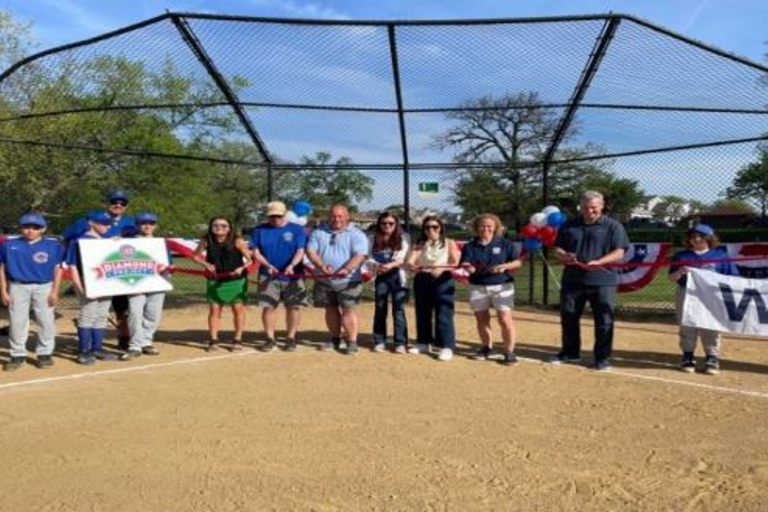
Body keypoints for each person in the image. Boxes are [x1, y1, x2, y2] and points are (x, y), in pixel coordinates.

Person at [551, 190, 629, 371]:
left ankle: (602, 357)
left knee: (604, 320)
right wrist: (565, 256)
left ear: (601, 206)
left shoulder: (613, 226)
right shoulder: (569, 225)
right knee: (568, 316)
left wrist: (600, 262)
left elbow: (620, 252)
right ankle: (571, 352)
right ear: (581, 207)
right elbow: (558, 249)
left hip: (603, 280)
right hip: (572, 279)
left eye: (593, 207)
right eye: (586, 207)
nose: (590, 211)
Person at [62, 190, 136, 350]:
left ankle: (119, 339)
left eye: (122, 203)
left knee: (119, 308)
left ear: (126, 206)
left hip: (117, 272)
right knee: (89, 311)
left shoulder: (131, 222)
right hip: (90, 275)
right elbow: (67, 237)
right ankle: (85, 348)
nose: (118, 205)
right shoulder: (89, 220)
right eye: (114, 202)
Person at [669, 224, 735, 375]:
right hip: (687, 293)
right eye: (692, 236)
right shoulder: (681, 256)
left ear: (709, 238)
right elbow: (672, 277)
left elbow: (731, 278)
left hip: (711, 296)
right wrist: (680, 271)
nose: (696, 239)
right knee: (687, 325)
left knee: (711, 325)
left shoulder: (720, 256)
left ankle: (712, 357)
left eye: (700, 236)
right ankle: (688, 356)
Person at [0, 213, 64, 371]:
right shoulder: (9, 245)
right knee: (17, 321)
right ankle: (17, 354)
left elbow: (58, 268)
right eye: (26, 227)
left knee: (45, 320)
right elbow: (1, 268)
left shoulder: (53, 245)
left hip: (44, 286)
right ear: (21, 228)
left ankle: (44, 353)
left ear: (43, 229)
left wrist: (55, 290)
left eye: (35, 228)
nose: (30, 230)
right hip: (17, 285)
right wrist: (3, 291)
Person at [460, 214, 523, 365]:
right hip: (478, 286)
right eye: (482, 226)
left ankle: (509, 351)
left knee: (504, 319)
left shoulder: (505, 244)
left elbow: (517, 262)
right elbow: (465, 263)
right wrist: (469, 268)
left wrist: (505, 266)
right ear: (477, 227)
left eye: (489, 226)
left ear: (495, 227)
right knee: (482, 319)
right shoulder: (470, 246)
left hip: (502, 286)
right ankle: (486, 347)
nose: (486, 229)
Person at [305, 204, 368, 355]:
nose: (336, 219)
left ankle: (351, 341)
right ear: (329, 217)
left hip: (349, 280)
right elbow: (310, 251)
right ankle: (335, 339)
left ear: (347, 217)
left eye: (340, 216)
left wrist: (347, 269)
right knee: (330, 309)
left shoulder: (356, 234)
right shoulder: (318, 232)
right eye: (333, 216)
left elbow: (360, 255)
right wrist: (321, 265)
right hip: (324, 280)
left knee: (348, 309)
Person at [250, 201, 308, 352]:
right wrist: (268, 265)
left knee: (294, 307)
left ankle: (291, 337)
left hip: (293, 275)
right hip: (268, 275)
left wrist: (292, 265)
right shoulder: (259, 230)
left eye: (278, 216)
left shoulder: (298, 230)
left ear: (285, 214)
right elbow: (256, 252)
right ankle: (270, 339)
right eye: (272, 216)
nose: (275, 219)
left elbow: (300, 250)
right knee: (268, 307)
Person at [66, 211, 122, 365]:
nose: (107, 226)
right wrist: (80, 287)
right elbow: (72, 266)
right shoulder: (79, 241)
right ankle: (83, 350)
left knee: (101, 316)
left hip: (105, 282)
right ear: (91, 223)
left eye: (109, 223)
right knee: (88, 315)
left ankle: (97, 348)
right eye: (103, 223)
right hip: (87, 282)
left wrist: (117, 244)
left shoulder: (106, 241)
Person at [405, 215, 460, 361]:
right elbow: (411, 260)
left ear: (440, 228)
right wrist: (412, 265)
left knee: (444, 313)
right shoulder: (420, 243)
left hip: (442, 279)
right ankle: (424, 342)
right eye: (427, 227)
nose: (431, 230)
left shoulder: (449, 242)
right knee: (422, 311)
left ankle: (446, 346)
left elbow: (455, 262)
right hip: (423, 278)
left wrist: (442, 268)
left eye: (434, 226)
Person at [192, 216, 251, 352]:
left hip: (236, 281)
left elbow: (250, 260)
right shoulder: (206, 240)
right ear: (211, 227)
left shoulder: (237, 241)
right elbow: (194, 255)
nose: (220, 228)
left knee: (237, 309)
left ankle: (237, 339)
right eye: (216, 225)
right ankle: (213, 340)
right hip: (215, 279)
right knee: (215, 309)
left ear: (229, 228)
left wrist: (241, 268)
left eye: (224, 225)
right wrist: (206, 264)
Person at [120, 212, 168, 360]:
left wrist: (168, 271)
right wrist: (116, 242)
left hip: (158, 281)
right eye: (143, 223)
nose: (147, 226)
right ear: (138, 225)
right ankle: (135, 345)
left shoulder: (161, 243)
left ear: (156, 226)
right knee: (135, 312)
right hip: (136, 281)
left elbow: (168, 262)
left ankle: (146, 342)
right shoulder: (129, 242)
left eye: (151, 223)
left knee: (153, 314)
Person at [367, 211, 410, 354]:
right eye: (384, 223)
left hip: (397, 276)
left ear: (396, 224)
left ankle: (400, 342)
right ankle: (379, 341)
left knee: (398, 310)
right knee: (380, 308)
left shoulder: (403, 238)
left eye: (391, 223)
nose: (387, 226)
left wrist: (388, 266)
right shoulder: (372, 238)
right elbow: (368, 257)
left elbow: (401, 257)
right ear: (379, 224)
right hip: (380, 276)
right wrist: (376, 265)